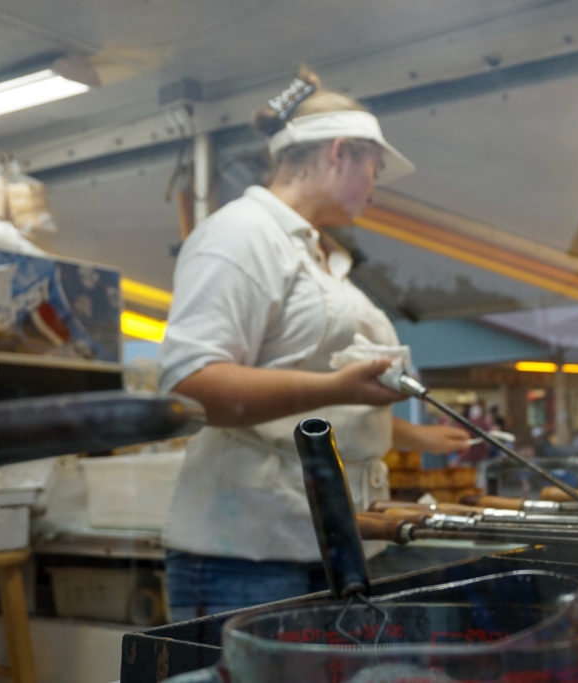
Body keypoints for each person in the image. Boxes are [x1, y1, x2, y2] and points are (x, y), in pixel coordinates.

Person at [157, 64, 470, 620]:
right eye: (372, 170)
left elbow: (310, 400)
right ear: (339, 153)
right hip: (247, 553)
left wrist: (403, 432)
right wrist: (337, 386)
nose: (374, 190)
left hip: (321, 541)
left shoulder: (320, 258)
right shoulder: (241, 234)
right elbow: (191, 384)